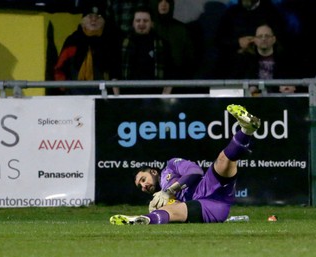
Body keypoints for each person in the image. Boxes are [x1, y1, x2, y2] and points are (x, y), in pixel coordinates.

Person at [109, 104, 261, 225]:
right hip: (210, 206)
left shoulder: (170, 166)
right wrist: (161, 205)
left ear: (153, 172)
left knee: (223, 159)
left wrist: (169, 191)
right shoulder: (160, 200)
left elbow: (195, 172)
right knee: (173, 211)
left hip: (208, 185)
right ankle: (144, 220)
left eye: (143, 179)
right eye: (140, 187)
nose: (143, 186)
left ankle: (246, 129)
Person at [54, 3, 120, 95]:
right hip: (74, 96)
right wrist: (65, 89)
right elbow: (60, 68)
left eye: (98, 17)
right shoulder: (72, 41)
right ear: (83, 20)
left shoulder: (109, 42)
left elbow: (115, 70)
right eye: (90, 17)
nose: (94, 20)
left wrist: (116, 95)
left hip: (103, 96)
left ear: (103, 21)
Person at [215, 0, 287, 79]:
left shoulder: (271, 13)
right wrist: (238, 42)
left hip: (263, 65)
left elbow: (281, 39)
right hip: (235, 66)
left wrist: (258, 43)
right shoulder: (231, 13)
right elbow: (219, 40)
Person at [231, 23, 298, 95]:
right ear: (255, 40)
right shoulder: (244, 60)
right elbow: (235, 83)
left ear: (274, 39)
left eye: (267, 36)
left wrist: (290, 88)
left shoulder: (286, 60)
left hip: (278, 100)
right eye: (260, 36)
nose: (263, 39)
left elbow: (295, 82)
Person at [118, 6, 171, 94]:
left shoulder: (163, 44)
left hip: (154, 96)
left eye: (145, 21)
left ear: (152, 23)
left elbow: (170, 73)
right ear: (133, 23)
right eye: (138, 20)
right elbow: (115, 74)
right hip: (128, 96)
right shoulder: (121, 44)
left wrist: (164, 96)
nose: (141, 24)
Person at [149, 0, 198, 94]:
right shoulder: (147, 28)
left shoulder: (180, 29)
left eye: (167, 1)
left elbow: (189, 58)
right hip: (149, 85)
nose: (164, 4)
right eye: (160, 1)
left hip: (178, 84)